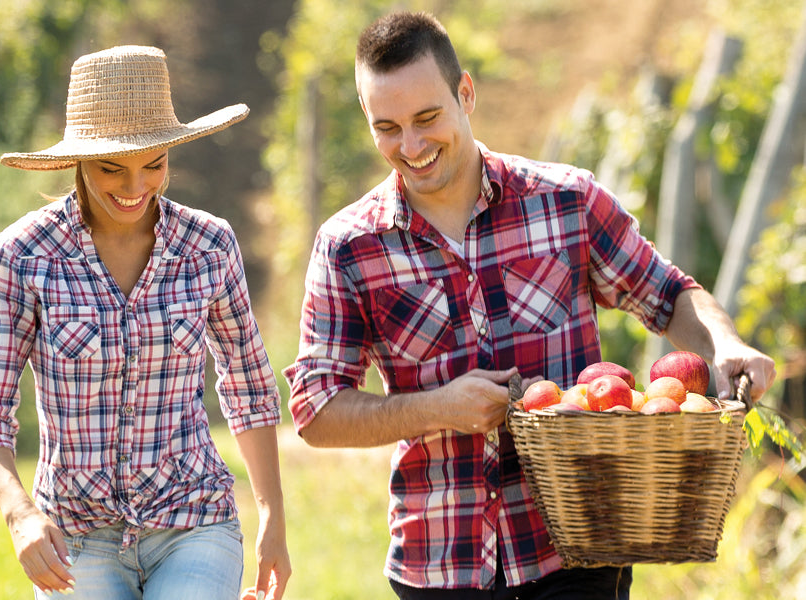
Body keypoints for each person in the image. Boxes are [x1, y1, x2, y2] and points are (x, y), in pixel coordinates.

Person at [283, 11, 776, 600]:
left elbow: (667, 295)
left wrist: (726, 344)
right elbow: (316, 410)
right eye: (387, 127)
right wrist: (436, 408)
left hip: (576, 550)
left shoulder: (566, 202)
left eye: (427, 118)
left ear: (466, 93)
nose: (411, 147)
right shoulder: (349, 247)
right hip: (441, 563)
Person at [0, 45, 290, 600]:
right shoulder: (24, 255)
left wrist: (272, 516)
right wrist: (20, 514)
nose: (135, 187)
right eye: (112, 168)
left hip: (194, 520)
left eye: (153, 165)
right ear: (79, 161)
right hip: (75, 539)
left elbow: (249, 386)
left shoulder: (210, 246)